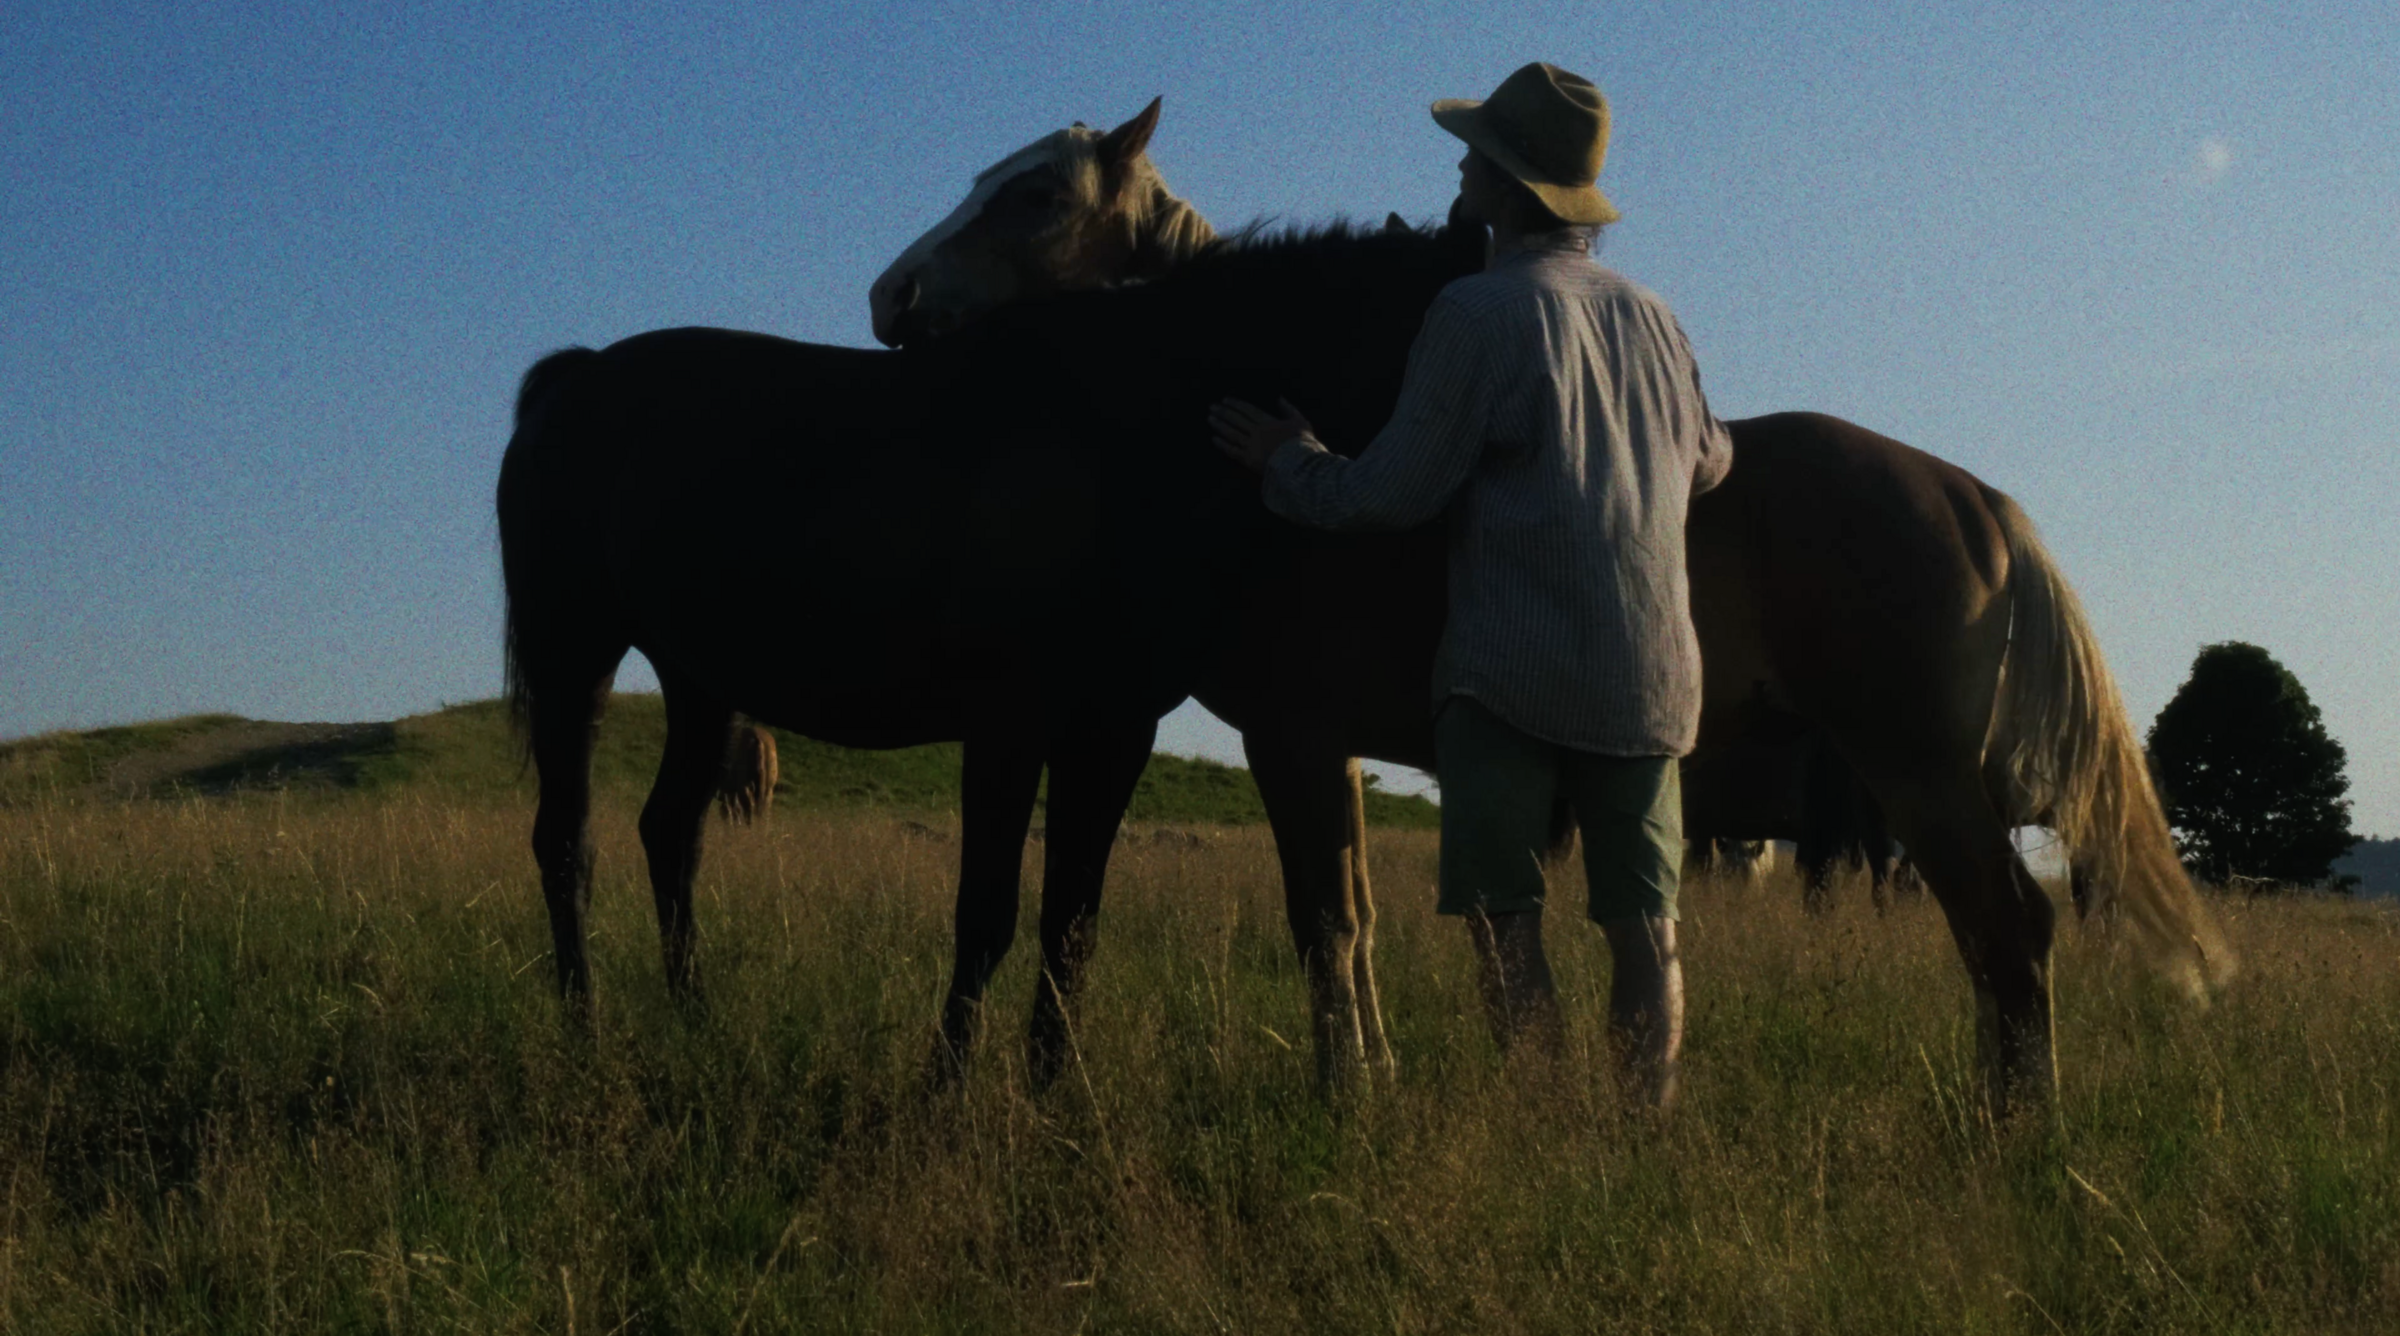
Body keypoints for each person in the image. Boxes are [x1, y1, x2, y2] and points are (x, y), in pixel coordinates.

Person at [1208, 62, 1732, 1108]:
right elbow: (1713, 457)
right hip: (1651, 677)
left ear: (1506, 184)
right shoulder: (1656, 317)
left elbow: (1390, 493)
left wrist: (1289, 461)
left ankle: (1542, 1135)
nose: (1458, 169)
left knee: (1506, 924)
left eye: (1475, 156)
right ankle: (1642, 1139)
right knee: (1649, 935)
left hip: (1508, 674)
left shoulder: (1474, 312)